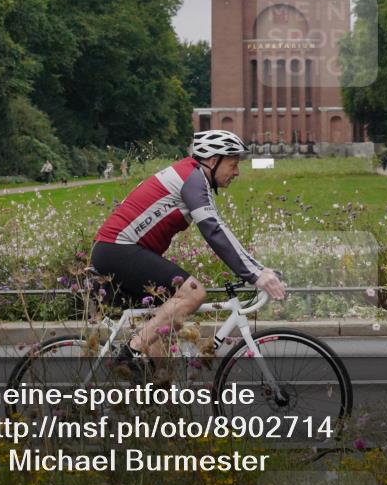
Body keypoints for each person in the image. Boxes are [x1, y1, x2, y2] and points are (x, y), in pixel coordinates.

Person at [90, 130, 287, 364]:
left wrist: (257, 269)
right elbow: (214, 230)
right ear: (213, 161)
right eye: (233, 165)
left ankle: (155, 394)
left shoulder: (192, 175)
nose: (236, 172)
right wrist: (255, 274)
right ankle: (129, 354)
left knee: (161, 332)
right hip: (117, 249)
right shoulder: (192, 178)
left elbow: (219, 230)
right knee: (193, 292)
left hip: (115, 250)